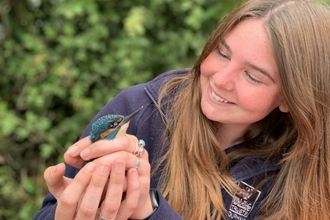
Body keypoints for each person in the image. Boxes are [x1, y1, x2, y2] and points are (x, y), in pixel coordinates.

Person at [33, 0, 330, 219]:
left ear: (292, 98)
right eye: (222, 53)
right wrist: (72, 209)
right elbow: (49, 211)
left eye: (253, 76)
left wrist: (148, 209)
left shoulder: (308, 172)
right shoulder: (140, 108)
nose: (220, 79)